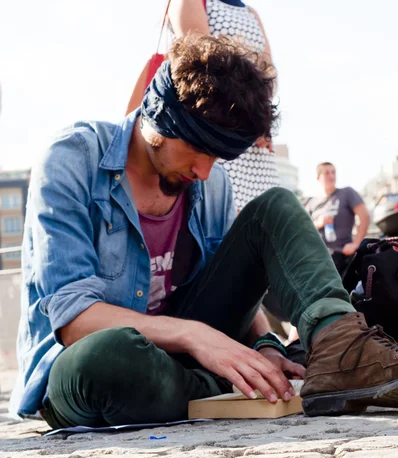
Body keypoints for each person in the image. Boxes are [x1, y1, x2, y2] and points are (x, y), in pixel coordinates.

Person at [10, 35, 398, 426]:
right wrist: (196, 336)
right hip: (94, 357)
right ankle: (223, 389)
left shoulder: (210, 183)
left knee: (277, 205)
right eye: (200, 150)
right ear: (162, 118)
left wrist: (263, 345)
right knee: (104, 361)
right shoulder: (71, 160)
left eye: (218, 156)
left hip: (184, 354)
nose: (205, 172)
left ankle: (343, 352)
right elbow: (74, 321)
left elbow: (232, 289)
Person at [168, 0, 281, 211]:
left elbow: (268, 69)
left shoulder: (251, 12)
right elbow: (200, 67)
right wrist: (249, 117)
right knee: (222, 218)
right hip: (216, 131)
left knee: (264, 221)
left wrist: (261, 120)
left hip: (254, 139)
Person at [306, 162, 370, 275]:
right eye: (326, 173)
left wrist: (356, 244)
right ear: (318, 177)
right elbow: (304, 228)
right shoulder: (311, 202)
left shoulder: (347, 193)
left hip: (342, 255)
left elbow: (364, 216)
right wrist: (319, 223)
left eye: (333, 172)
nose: (331, 176)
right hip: (317, 256)